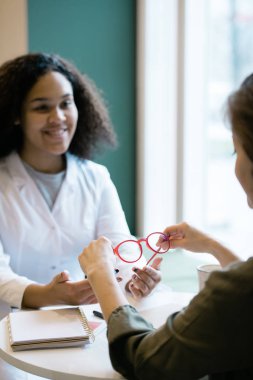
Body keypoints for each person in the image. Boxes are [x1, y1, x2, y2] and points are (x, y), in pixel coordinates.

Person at [78, 73, 253, 379]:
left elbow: (144, 360)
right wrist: (211, 245)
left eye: (236, 150)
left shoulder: (234, 291)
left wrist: (102, 278)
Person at [0, 52, 162, 311]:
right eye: (42, 107)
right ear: (17, 115)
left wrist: (138, 277)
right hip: (8, 335)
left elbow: (122, 250)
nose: (58, 118)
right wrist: (51, 295)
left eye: (66, 103)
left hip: (81, 328)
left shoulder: (96, 177)